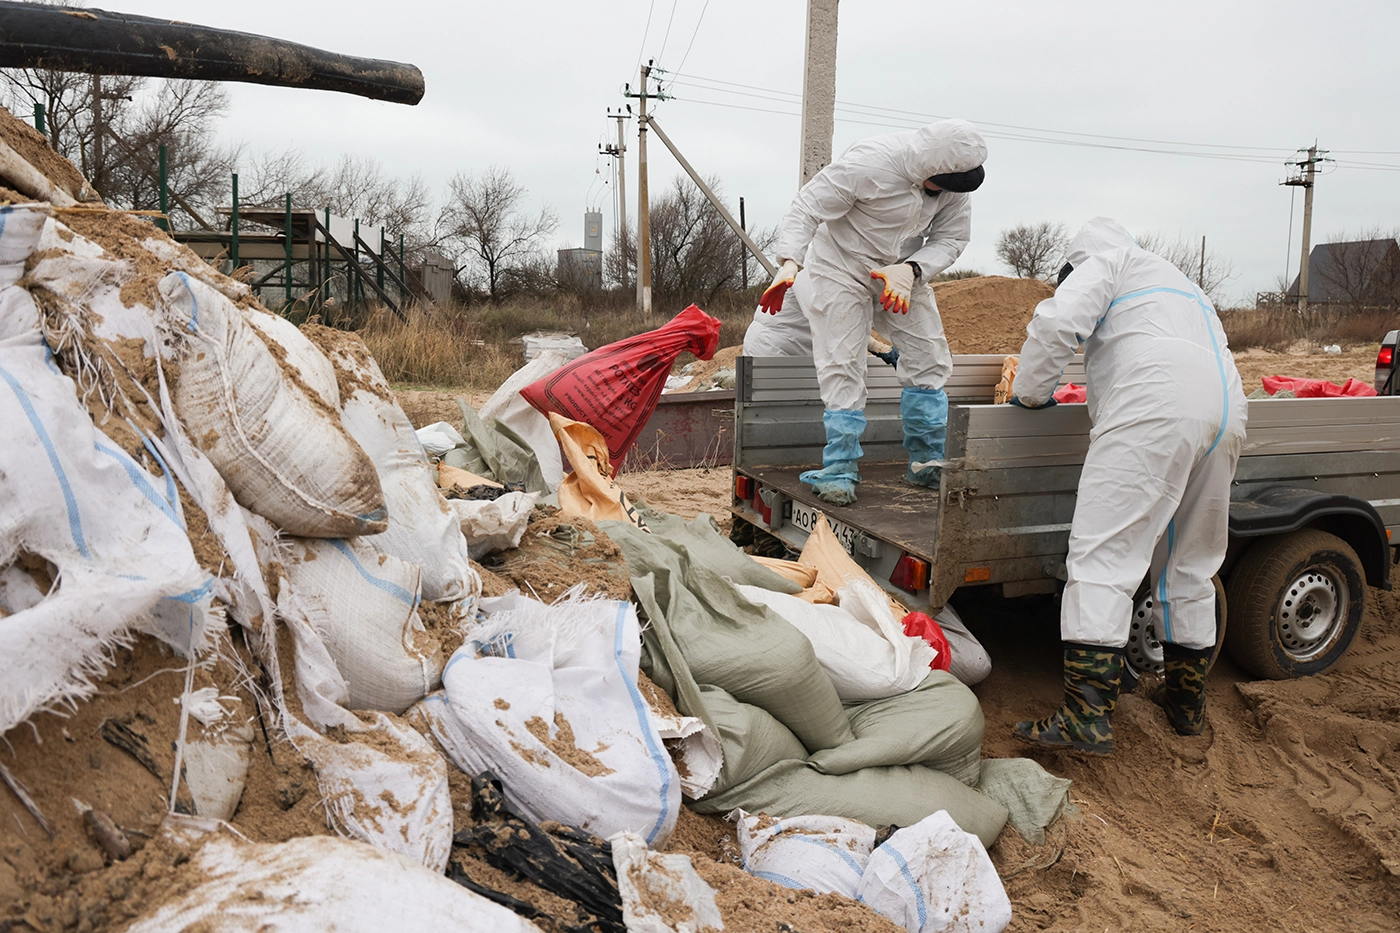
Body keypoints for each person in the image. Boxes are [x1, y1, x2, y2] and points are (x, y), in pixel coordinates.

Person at [1008, 217, 1247, 755]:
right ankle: (1187, 707)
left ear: (1079, 261)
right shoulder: (1183, 283)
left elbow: (1054, 327)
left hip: (1156, 405)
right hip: (1227, 413)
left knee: (1102, 557)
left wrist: (1028, 394)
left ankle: (1085, 717)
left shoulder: (1107, 265)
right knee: (1191, 563)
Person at [756, 119, 987, 505]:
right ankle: (840, 467)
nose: (944, 194)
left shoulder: (953, 182)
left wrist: (913, 269)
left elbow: (952, 238)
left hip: (897, 272)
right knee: (843, 359)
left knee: (928, 355)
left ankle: (926, 462)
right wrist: (790, 261)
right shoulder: (870, 163)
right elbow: (808, 207)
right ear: (927, 169)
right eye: (940, 185)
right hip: (840, 266)